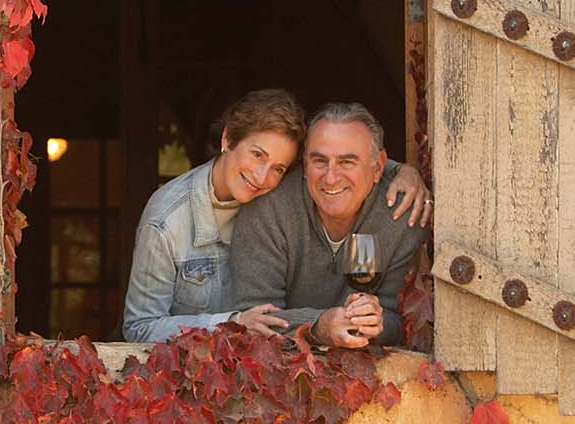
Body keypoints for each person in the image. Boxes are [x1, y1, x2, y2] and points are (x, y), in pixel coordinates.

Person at [118, 91, 430, 343]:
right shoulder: (167, 221)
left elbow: (346, 162)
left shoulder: (277, 191)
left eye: (279, 168)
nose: (261, 175)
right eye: (257, 155)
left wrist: (405, 171)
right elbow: (140, 327)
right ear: (227, 140)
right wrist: (234, 322)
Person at [227, 103, 429, 349]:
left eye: (347, 162)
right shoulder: (268, 210)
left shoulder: (400, 215)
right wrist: (317, 327)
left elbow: (401, 324)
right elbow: (255, 321)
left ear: (377, 167)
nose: (331, 177)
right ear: (304, 164)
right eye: (320, 161)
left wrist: (376, 324)